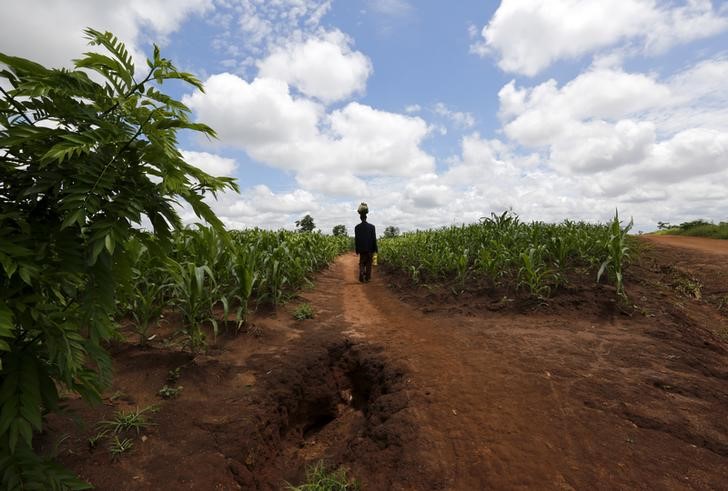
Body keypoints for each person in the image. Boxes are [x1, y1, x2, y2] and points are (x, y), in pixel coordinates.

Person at [354, 210, 378, 283]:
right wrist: (375, 249)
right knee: (368, 263)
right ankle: (367, 278)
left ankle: (361, 272)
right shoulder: (372, 227)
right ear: (366, 217)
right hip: (370, 248)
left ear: (360, 218)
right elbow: (374, 238)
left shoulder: (357, 227)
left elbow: (356, 239)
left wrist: (357, 249)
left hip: (361, 249)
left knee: (362, 262)